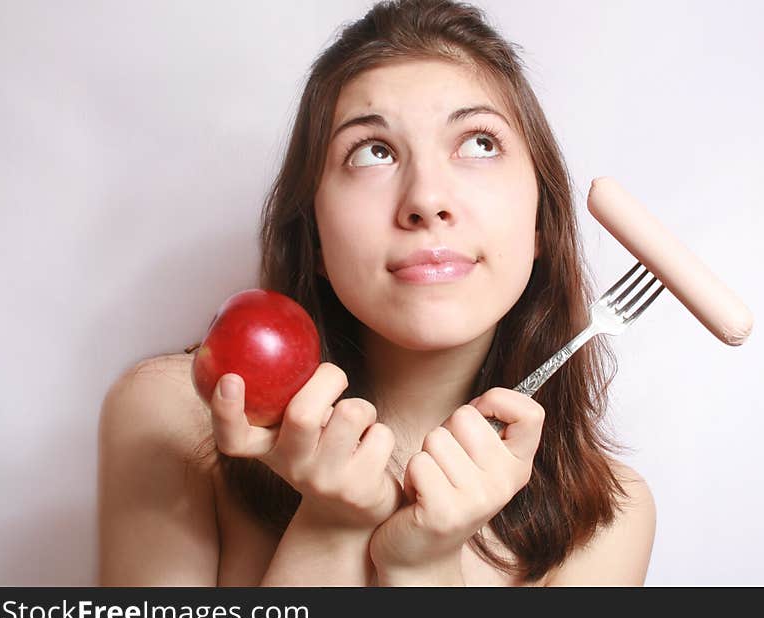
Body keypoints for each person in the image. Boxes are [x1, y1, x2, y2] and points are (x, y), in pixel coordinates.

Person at [97, 0, 656, 587]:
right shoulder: (172, 421)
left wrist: (425, 565)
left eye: (479, 143)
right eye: (373, 152)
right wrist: (332, 526)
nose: (426, 199)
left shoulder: (611, 519)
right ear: (313, 236)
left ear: (541, 223)